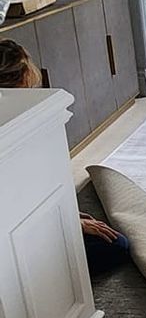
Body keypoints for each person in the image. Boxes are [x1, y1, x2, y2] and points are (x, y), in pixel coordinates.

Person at [0, 40, 130, 279]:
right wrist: (71, 224)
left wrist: (70, 216)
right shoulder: (17, 135)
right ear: (23, 80)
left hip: (21, 226)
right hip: (16, 239)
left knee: (101, 232)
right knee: (117, 246)